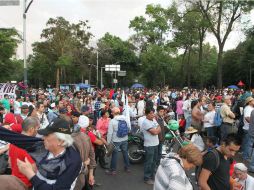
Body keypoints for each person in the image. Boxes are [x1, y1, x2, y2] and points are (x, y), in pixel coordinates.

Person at [16, 117, 83, 190]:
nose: (43, 138)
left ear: (60, 141)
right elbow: (17, 139)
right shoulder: (43, 148)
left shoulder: (73, 161)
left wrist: (30, 174)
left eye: (46, 135)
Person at [9, 117, 39, 188]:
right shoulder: (28, 145)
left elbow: (10, 162)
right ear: (31, 129)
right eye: (38, 128)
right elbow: (34, 169)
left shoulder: (13, 142)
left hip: (14, 181)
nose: (38, 131)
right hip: (26, 184)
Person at [106, 107, 131, 175]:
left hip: (116, 140)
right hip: (125, 138)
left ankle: (113, 170)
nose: (111, 113)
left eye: (112, 112)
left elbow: (110, 133)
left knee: (115, 155)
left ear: (113, 113)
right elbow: (128, 128)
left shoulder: (112, 121)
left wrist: (108, 142)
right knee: (125, 153)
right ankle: (127, 167)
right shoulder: (125, 119)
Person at [141, 107, 161, 185]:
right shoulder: (145, 122)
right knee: (148, 162)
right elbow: (155, 132)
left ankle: (153, 176)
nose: (152, 115)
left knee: (154, 162)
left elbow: (159, 128)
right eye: (150, 113)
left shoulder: (153, 119)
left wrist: (157, 129)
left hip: (156, 144)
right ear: (146, 114)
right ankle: (146, 178)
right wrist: (157, 129)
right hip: (149, 145)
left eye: (153, 113)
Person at [242, 96, 254, 160]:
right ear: (249, 102)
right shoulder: (248, 108)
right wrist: (252, 123)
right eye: (253, 100)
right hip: (248, 128)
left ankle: (244, 154)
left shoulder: (250, 108)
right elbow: (247, 117)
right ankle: (246, 157)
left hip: (248, 127)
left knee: (247, 143)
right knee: (249, 144)